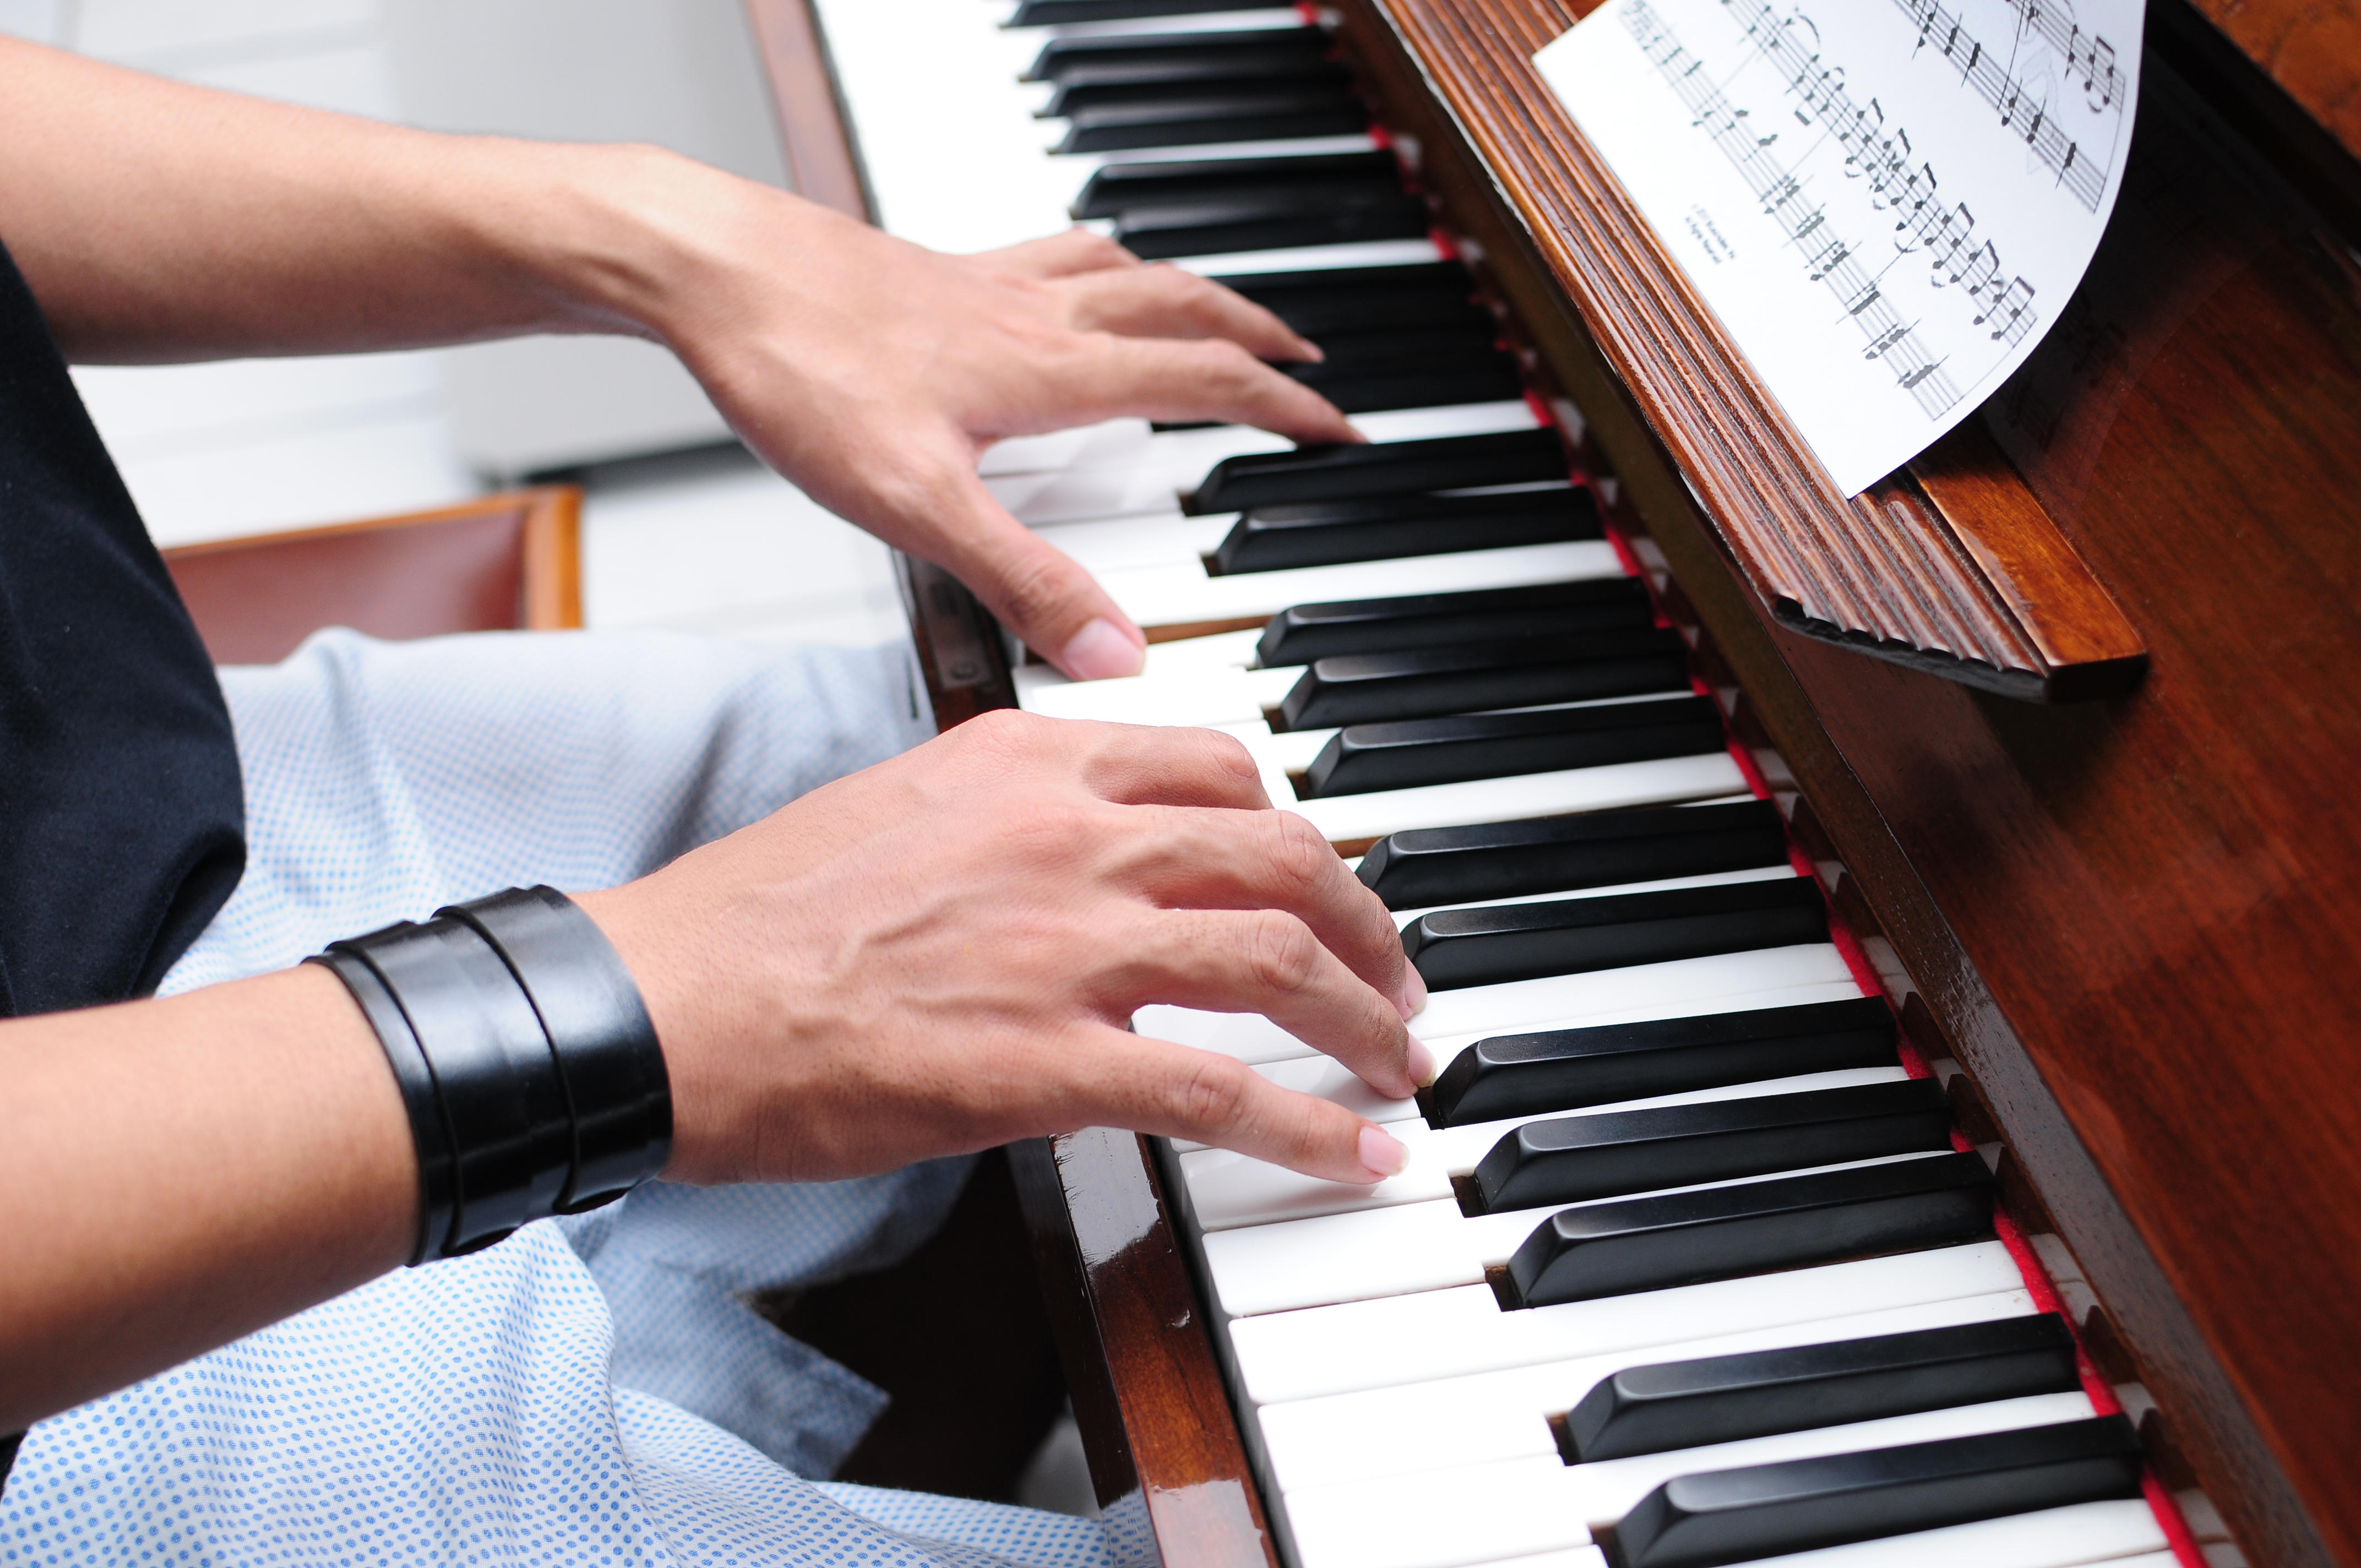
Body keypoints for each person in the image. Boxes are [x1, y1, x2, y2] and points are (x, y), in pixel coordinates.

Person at [0, 31, 1433, 1568]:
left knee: (1154, 788)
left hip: (131, 796)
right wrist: (638, 1009)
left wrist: (663, 237)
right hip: (61, 1343)